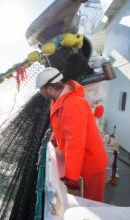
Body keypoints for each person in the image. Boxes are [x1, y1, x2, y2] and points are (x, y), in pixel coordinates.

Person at [36, 67, 108, 202]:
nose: (40, 93)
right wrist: (56, 139)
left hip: (91, 165)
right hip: (82, 161)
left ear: (49, 88)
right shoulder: (57, 101)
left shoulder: (72, 104)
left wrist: (71, 176)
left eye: (41, 89)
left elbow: (75, 141)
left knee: (92, 205)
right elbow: (61, 127)